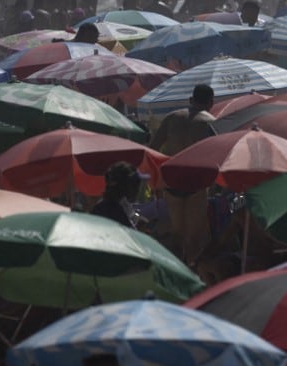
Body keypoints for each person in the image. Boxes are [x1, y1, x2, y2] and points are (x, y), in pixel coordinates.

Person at [150, 84, 217, 262]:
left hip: (171, 180)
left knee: (177, 235)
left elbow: (153, 148)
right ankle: (192, 273)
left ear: (190, 100)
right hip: (197, 182)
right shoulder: (211, 122)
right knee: (194, 238)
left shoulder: (172, 118)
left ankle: (175, 271)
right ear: (211, 102)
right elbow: (217, 156)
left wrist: (157, 178)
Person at [92, 162, 143, 228]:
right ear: (125, 185)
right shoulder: (114, 211)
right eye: (136, 184)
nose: (138, 190)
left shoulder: (102, 207)